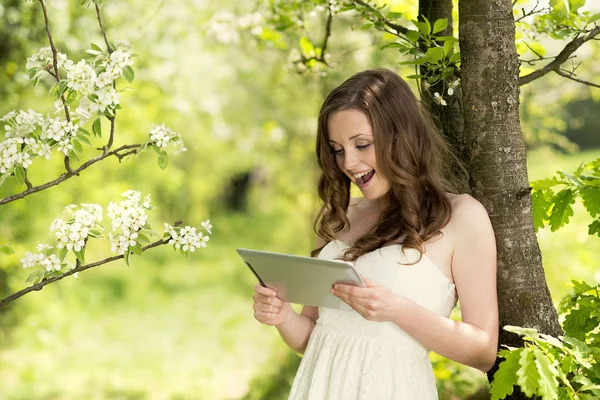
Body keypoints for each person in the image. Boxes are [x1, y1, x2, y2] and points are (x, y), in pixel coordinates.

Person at [252, 68, 498, 400]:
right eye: (337, 149)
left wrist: (395, 309)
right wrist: (282, 317)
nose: (349, 163)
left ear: (402, 135)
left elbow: (483, 351)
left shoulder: (461, 217)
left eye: (362, 145)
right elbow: (314, 338)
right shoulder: (337, 218)